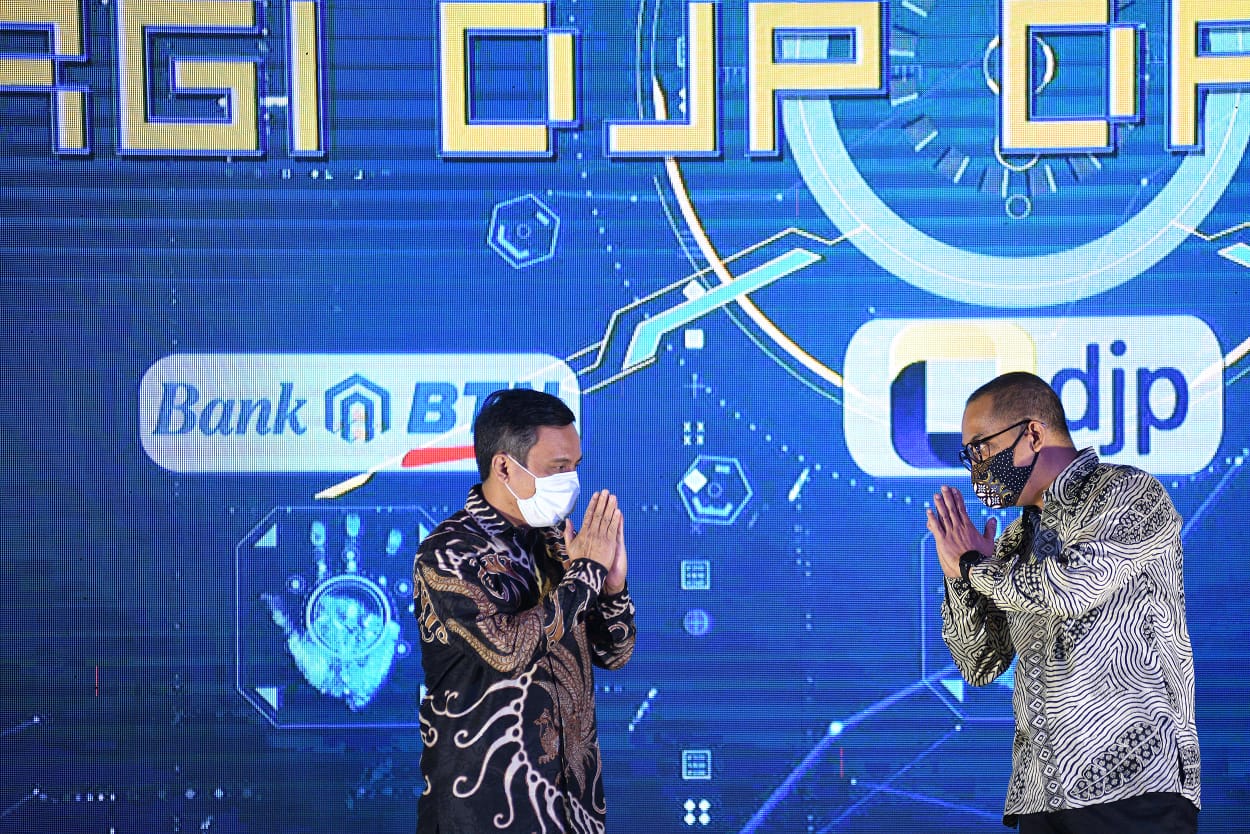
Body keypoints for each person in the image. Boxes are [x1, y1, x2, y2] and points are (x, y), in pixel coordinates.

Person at [925, 371, 1199, 833]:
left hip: (1136, 790)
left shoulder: (1130, 493)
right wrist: (959, 578)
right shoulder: (1014, 542)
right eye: (969, 456)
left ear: (1033, 434)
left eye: (982, 449)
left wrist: (974, 566)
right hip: (1041, 797)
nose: (976, 470)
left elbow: (1072, 586)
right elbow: (980, 664)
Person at [412, 388, 635, 833]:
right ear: (503, 466)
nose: (571, 481)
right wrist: (586, 573)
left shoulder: (557, 541)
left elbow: (614, 654)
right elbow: (508, 650)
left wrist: (612, 588)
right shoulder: (449, 553)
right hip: (482, 810)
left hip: (575, 811)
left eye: (575, 467)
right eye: (558, 468)